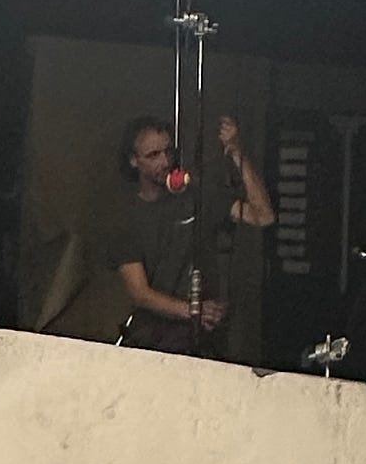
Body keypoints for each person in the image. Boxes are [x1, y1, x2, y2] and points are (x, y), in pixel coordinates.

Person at [109, 112, 275, 352]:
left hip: (203, 334)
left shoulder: (197, 194)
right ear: (134, 161)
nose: (165, 161)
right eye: (153, 155)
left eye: (168, 151)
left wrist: (237, 152)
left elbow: (263, 216)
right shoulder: (125, 218)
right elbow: (140, 293)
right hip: (152, 337)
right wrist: (195, 311)